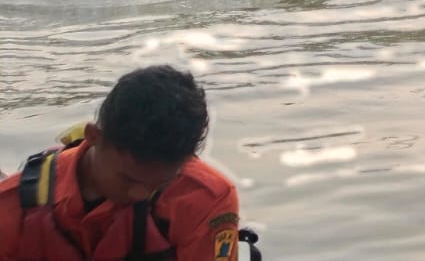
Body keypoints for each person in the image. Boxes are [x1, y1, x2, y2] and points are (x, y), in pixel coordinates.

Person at [0, 66, 245, 261]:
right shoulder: (11, 207)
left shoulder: (203, 199)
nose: (140, 194)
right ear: (94, 136)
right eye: (128, 179)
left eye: (159, 184)